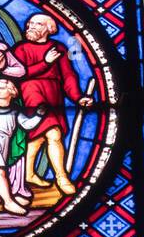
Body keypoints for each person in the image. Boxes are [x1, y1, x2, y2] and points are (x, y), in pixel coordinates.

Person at [13, 14, 92, 196]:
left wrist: (77, 97)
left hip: (54, 94)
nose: (30, 26)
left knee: (37, 137)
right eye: (30, 23)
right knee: (53, 133)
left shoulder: (59, 48)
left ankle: (29, 174)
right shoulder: (21, 49)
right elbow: (19, 74)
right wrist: (45, 62)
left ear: (49, 29)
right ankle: (61, 177)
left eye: (37, 24)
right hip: (31, 92)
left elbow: (69, 76)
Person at [0, 77, 35, 216]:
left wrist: (39, 115)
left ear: (11, 91)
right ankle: (8, 202)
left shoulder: (15, 110)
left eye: (1, 88)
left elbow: (27, 125)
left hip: (4, 140)